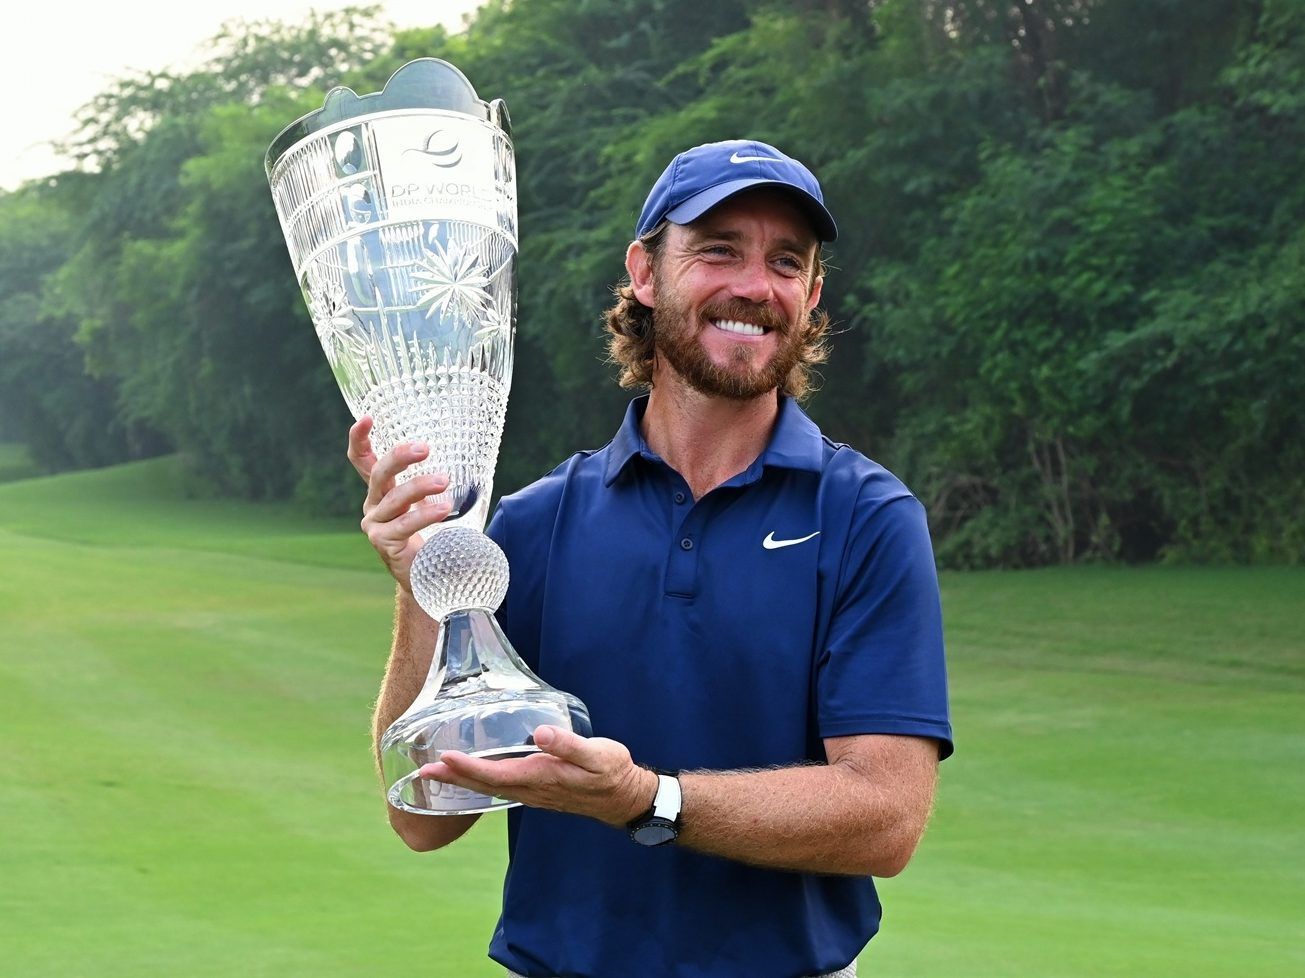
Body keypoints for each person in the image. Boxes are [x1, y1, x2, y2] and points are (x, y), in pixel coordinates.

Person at [348, 139, 953, 978]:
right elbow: (426, 817)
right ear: (644, 271)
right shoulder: (533, 526)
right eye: (717, 250)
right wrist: (425, 577)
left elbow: (883, 819)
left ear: (810, 297)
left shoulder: (865, 518)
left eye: (786, 261)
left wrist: (648, 800)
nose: (753, 285)